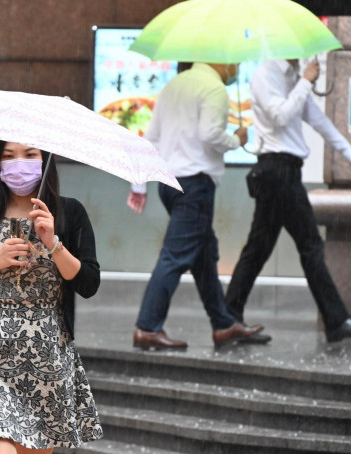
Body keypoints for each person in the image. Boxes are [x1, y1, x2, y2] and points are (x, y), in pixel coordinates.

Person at [0, 140, 103, 453]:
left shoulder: (69, 212)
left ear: (45, 161)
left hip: (47, 360)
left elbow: (88, 283)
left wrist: (53, 243)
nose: (19, 163)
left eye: (30, 154)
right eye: (8, 156)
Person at [127, 62, 264, 350]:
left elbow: (150, 138)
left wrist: (139, 184)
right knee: (175, 256)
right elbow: (210, 134)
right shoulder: (213, 87)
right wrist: (236, 139)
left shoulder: (173, 85)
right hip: (194, 186)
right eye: (234, 62)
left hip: (170, 183)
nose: (236, 67)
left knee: (203, 256)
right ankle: (147, 327)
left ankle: (224, 324)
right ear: (219, 60)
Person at [225, 59, 351, 343]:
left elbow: (321, 123)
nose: (306, 55)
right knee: (309, 245)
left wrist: (348, 154)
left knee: (258, 249)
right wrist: (306, 82)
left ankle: (229, 318)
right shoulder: (265, 74)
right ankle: (336, 321)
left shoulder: (294, 77)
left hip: (285, 171)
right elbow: (281, 116)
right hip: (276, 170)